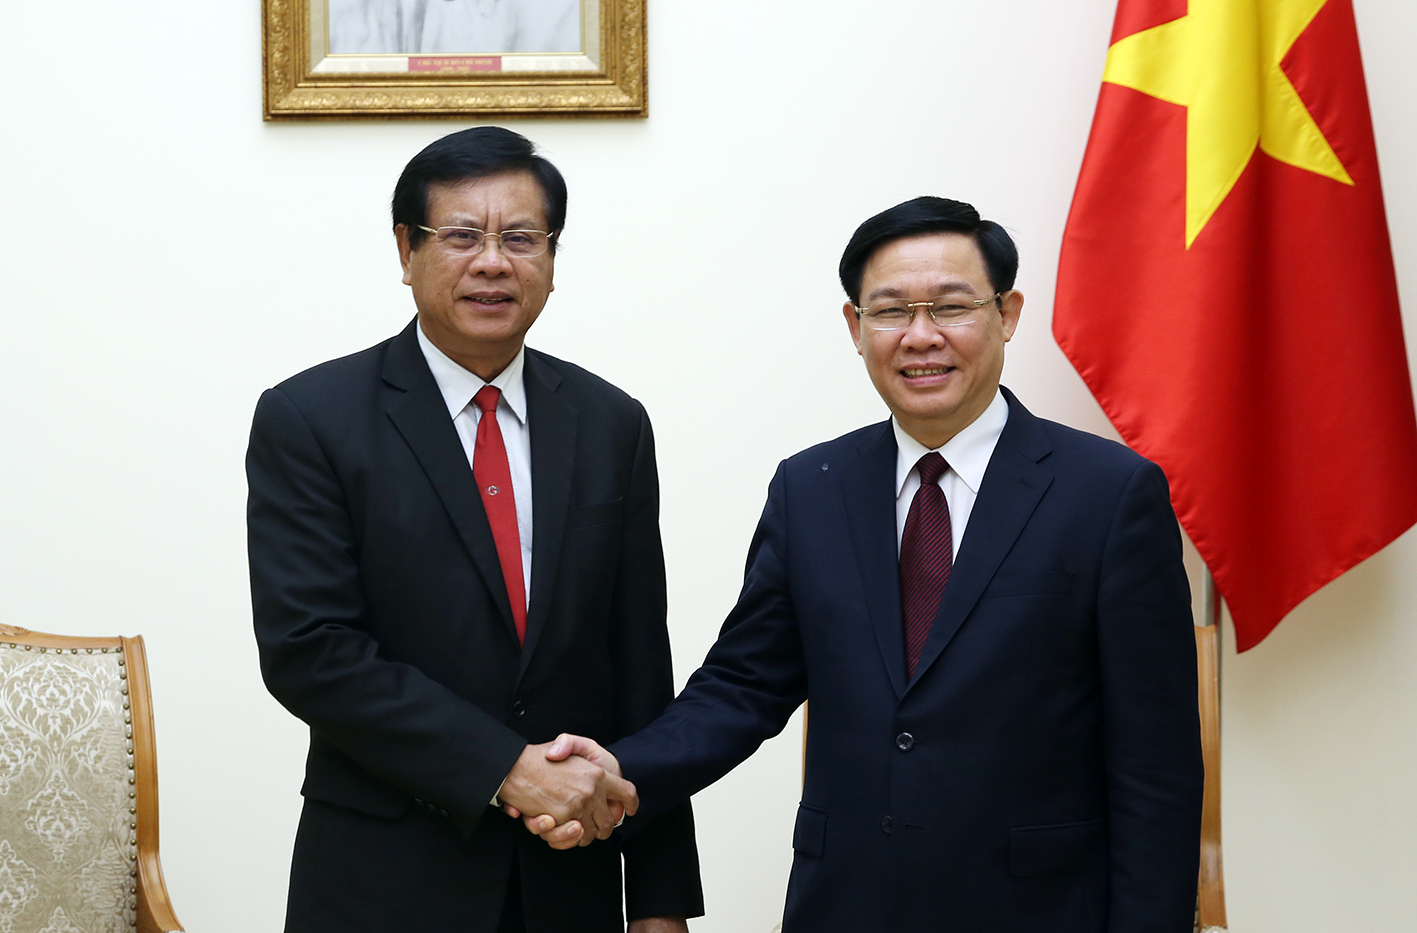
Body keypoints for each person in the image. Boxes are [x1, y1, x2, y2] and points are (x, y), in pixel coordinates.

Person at [528, 197, 1203, 931]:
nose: (920, 336)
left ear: (1007, 314)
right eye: (890, 311)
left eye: (951, 307)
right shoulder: (811, 488)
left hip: (1037, 908)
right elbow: (743, 685)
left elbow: (1155, 762)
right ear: (855, 327)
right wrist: (619, 769)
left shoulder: (1108, 494)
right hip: (845, 904)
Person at [246, 126, 701, 933]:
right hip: (383, 883)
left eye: (521, 238)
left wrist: (660, 900)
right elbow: (311, 651)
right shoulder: (311, 418)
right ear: (406, 249)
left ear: (552, 258)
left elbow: (639, 665)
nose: (493, 262)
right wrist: (505, 768)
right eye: (461, 235)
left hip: (568, 880)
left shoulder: (610, 423)